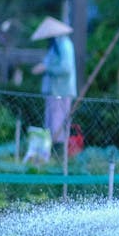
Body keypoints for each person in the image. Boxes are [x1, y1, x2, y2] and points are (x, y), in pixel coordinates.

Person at [30, 16, 77, 151]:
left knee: (58, 123)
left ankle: (58, 152)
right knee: (50, 123)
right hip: (53, 91)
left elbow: (66, 68)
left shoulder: (64, 45)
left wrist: (46, 68)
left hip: (61, 91)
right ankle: (48, 152)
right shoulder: (55, 45)